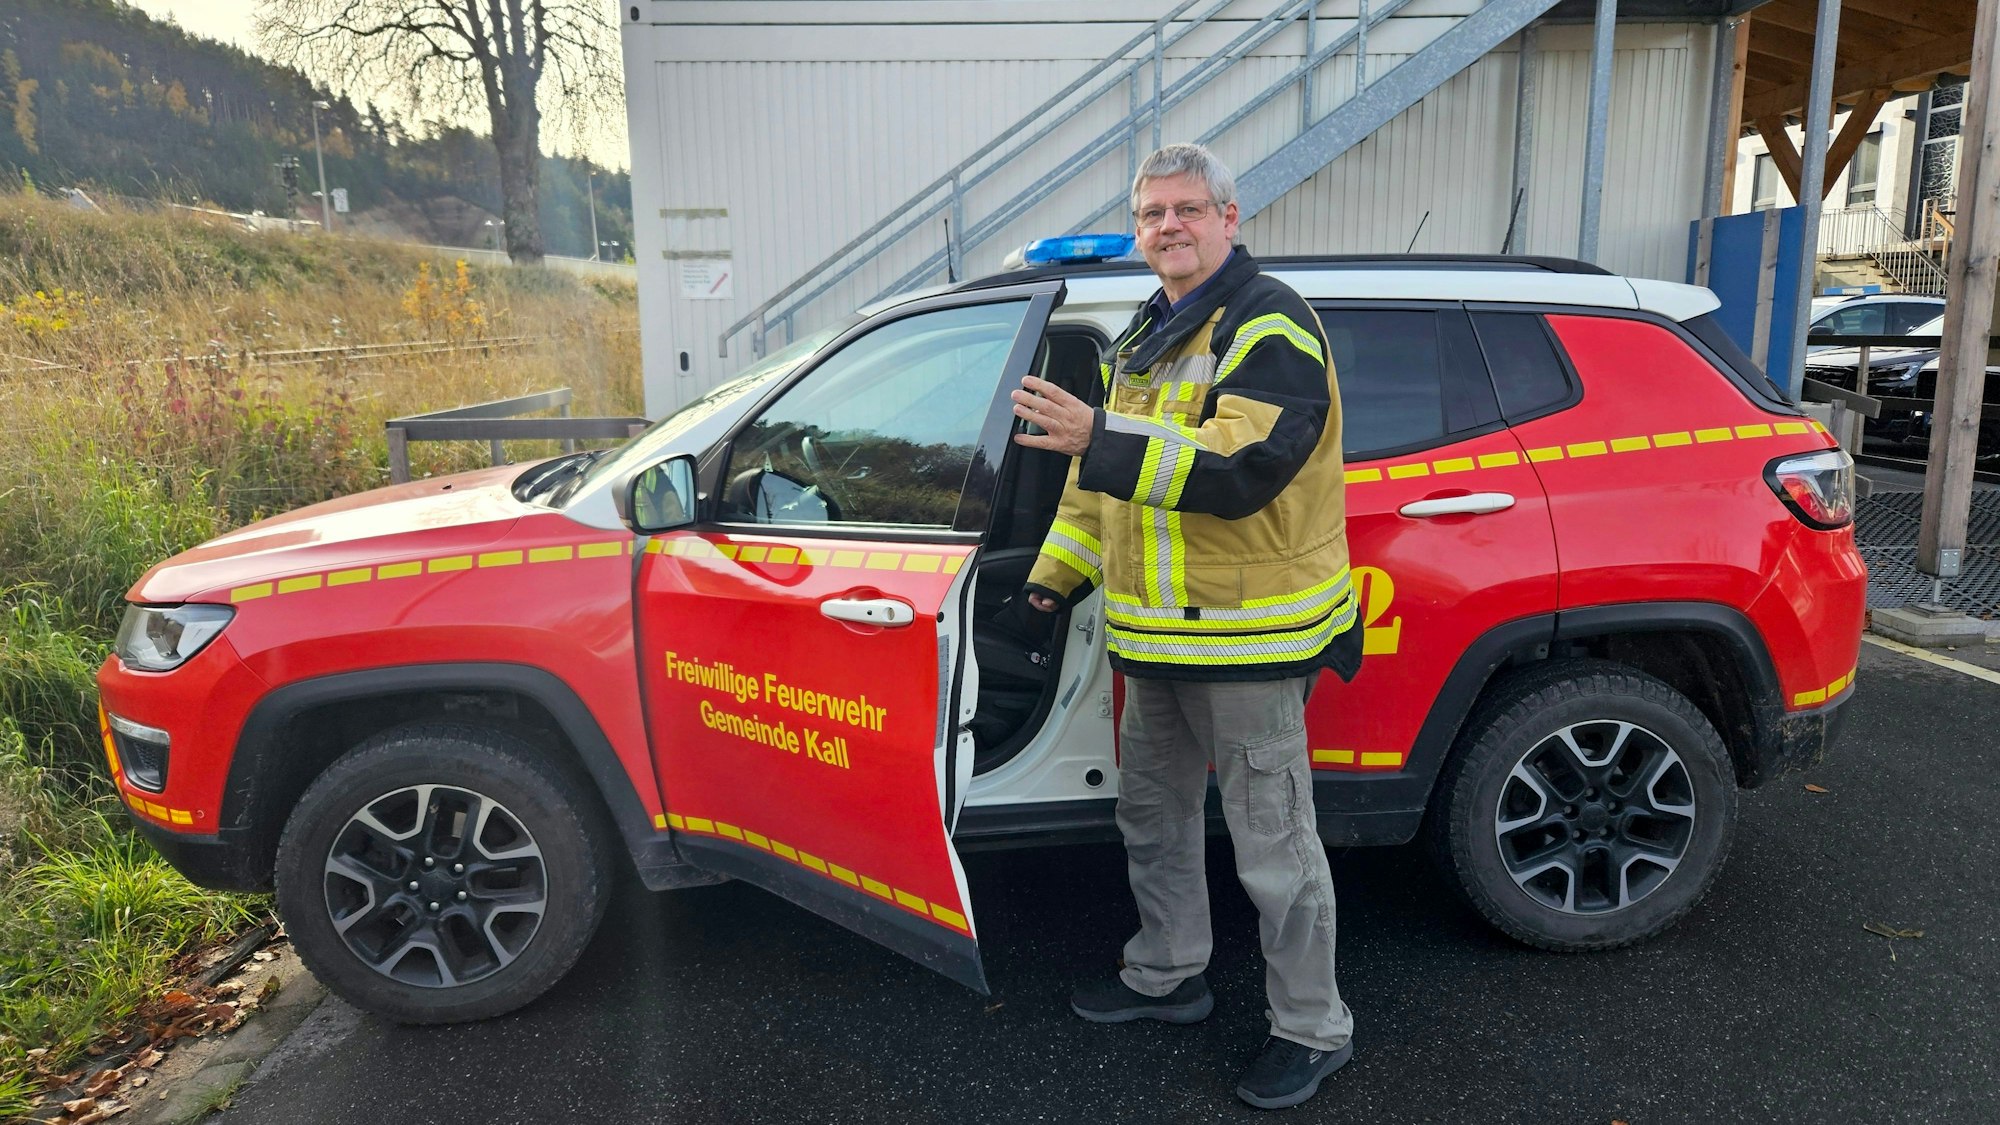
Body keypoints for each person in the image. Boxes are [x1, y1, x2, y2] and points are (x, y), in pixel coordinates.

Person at [1009, 142, 1363, 1111]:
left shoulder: (1268, 324)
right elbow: (1099, 492)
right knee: (1152, 819)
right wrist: (1047, 587)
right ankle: (1167, 973)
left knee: (1272, 847)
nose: (1168, 225)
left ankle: (1311, 1025)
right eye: (1152, 213)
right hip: (1154, 643)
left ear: (1228, 217)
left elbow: (1241, 467)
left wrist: (1099, 435)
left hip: (1246, 646)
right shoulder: (1150, 331)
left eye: (1186, 209)